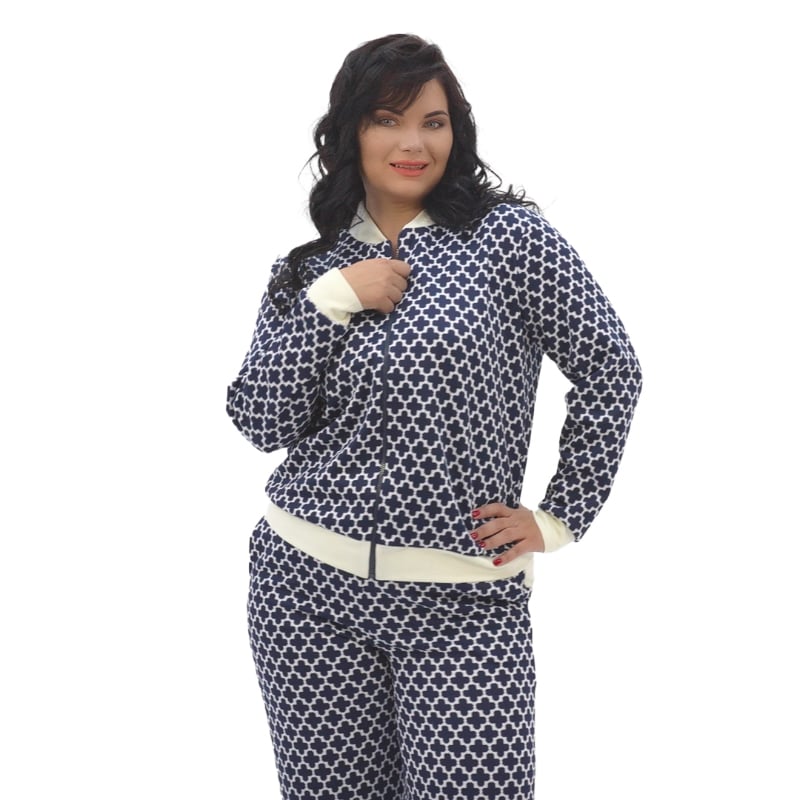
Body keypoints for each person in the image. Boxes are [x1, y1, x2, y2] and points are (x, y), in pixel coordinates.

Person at [226, 33, 642, 800]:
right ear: (351, 132)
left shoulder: (508, 241)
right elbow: (260, 420)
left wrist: (560, 516)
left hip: (462, 603)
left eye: (434, 121)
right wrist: (332, 302)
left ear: (458, 132)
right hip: (304, 594)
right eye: (387, 119)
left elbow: (610, 366)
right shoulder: (311, 270)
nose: (413, 143)